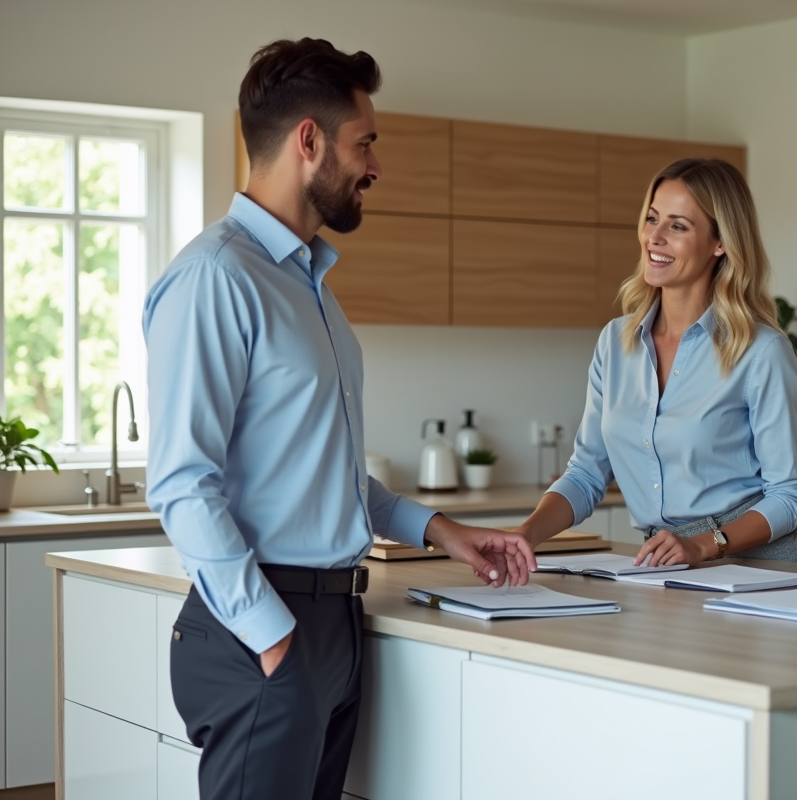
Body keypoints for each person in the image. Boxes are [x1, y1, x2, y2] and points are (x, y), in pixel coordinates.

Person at [143, 38, 535, 800]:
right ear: (309, 140)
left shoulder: (309, 284)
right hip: (265, 626)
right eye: (366, 143)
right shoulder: (216, 279)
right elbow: (183, 483)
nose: (376, 167)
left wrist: (440, 531)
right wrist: (273, 637)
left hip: (330, 623)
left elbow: (321, 470)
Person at [516, 158, 797, 568]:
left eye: (677, 226)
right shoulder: (616, 342)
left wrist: (703, 543)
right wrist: (526, 533)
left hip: (769, 565)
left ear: (721, 243)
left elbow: (788, 498)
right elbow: (586, 475)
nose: (654, 238)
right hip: (669, 564)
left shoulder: (761, 351)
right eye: (651, 219)